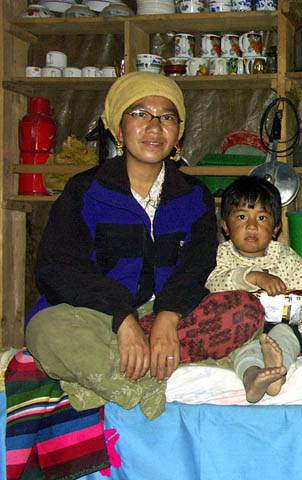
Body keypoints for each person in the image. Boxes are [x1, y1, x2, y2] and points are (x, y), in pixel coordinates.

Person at [24, 72, 264, 416]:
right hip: (98, 319)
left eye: (166, 117)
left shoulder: (193, 195)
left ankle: (99, 377)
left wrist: (167, 317)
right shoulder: (86, 191)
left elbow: (198, 266)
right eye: (140, 114)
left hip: (166, 319)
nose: (154, 127)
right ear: (119, 131)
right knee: (46, 331)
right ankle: (142, 384)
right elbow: (57, 267)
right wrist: (122, 319)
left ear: (178, 133)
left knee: (246, 310)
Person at [205, 176, 302, 403]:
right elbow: (214, 284)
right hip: (239, 330)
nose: (251, 226)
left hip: (279, 326)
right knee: (241, 349)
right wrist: (252, 276)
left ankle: (276, 371)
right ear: (225, 226)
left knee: (286, 336)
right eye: (241, 217)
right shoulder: (222, 254)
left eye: (261, 218)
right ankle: (253, 378)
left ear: (276, 228)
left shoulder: (288, 259)